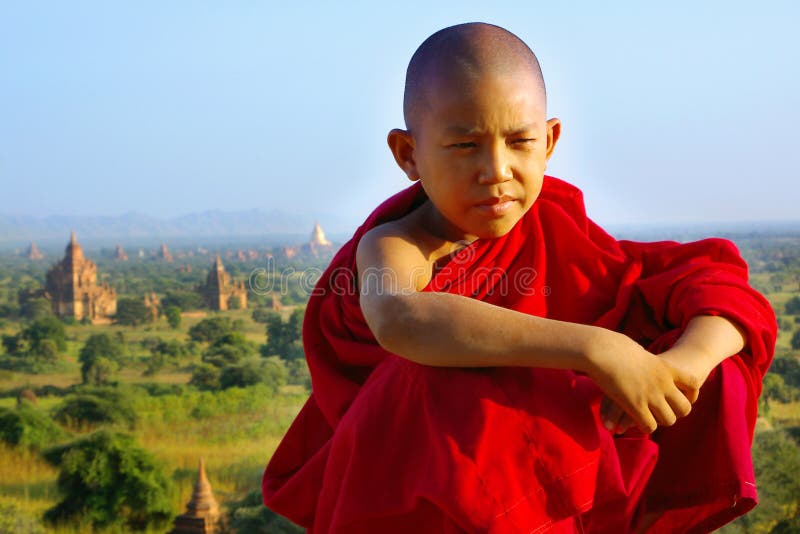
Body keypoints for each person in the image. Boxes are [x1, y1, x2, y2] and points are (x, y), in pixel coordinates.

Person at [262, 22, 777, 533]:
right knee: (431, 377)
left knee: (711, 356)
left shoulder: (560, 230)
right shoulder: (399, 244)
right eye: (465, 146)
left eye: (520, 141)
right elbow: (401, 318)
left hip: (563, 494)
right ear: (408, 154)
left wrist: (683, 368)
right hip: (439, 502)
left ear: (549, 141)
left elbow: (724, 294)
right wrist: (595, 350)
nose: (496, 170)